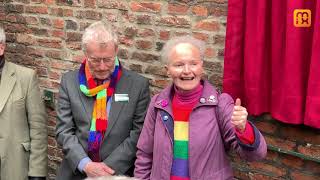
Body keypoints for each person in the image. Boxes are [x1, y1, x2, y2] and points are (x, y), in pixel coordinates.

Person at [134, 36, 267, 180]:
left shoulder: (220, 104)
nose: (186, 71)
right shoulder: (158, 104)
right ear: (167, 70)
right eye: (178, 65)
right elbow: (145, 154)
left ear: (201, 66)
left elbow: (256, 155)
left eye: (193, 64)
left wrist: (243, 129)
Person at [55, 21, 150, 180]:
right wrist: (86, 164)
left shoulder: (137, 85)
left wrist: (104, 173)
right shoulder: (69, 82)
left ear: (116, 51)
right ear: (85, 53)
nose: (102, 67)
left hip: (118, 174)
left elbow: (138, 134)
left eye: (108, 59)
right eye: (95, 60)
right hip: (76, 172)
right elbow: (64, 130)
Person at [0, 27, 48, 180]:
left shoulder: (25, 78)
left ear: (1, 47)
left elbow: (38, 130)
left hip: (13, 167)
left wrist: (37, 174)